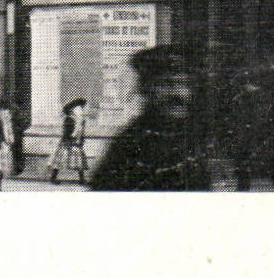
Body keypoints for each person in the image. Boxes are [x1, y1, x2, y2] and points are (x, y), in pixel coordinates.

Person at [90, 45, 210, 191]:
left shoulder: (193, 137)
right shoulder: (129, 144)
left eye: (183, 84)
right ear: (146, 89)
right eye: (166, 84)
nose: (178, 94)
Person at [48, 98, 90, 185]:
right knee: (67, 158)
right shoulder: (73, 118)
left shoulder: (73, 118)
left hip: (71, 140)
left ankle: (81, 179)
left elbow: (78, 128)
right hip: (70, 141)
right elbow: (74, 129)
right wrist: (74, 137)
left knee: (69, 158)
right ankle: (54, 177)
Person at [0, 98, 17, 189]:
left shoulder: (3, 116)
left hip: (3, 143)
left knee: (1, 164)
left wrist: (10, 140)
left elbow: (8, 129)